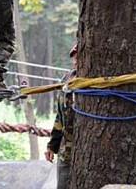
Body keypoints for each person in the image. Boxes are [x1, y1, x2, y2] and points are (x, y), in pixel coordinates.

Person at [44, 42, 78, 189]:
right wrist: (52, 145)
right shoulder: (66, 80)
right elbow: (60, 116)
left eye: (80, 57)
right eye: (74, 57)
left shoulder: (96, 84)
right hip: (67, 152)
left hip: (87, 151)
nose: (76, 61)